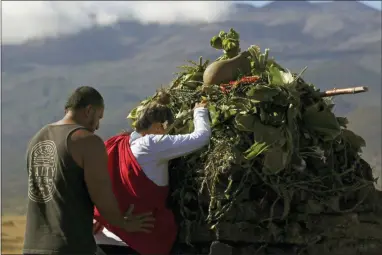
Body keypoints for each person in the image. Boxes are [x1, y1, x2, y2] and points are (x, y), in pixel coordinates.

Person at [23, 86, 154, 255]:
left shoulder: (38, 138)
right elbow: (101, 192)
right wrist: (123, 222)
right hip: (70, 247)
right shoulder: (87, 141)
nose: (98, 126)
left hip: (32, 246)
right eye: (98, 117)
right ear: (89, 110)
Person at [93, 91, 212, 255]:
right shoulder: (152, 143)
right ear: (158, 126)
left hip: (102, 238)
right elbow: (201, 137)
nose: (167, 134)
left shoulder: (114, 143)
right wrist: (200, 111)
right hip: (136, 242)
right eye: (167, 129)